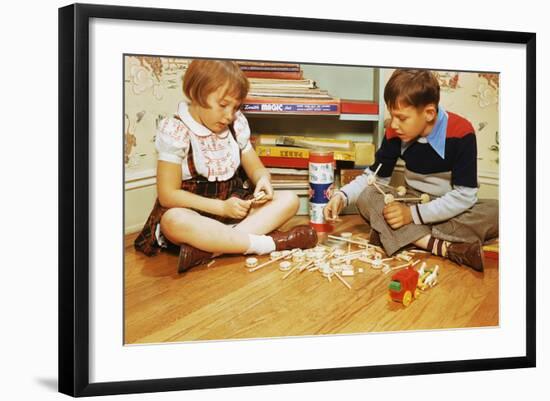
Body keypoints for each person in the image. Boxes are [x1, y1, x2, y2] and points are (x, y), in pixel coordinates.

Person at [134, 59, 317, 273]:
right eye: (222, 105)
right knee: (172, 220)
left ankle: (211, 248)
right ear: (196, 93)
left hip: (233, 216)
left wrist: (263, 180)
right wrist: (221, 207)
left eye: (235, 107)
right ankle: (270, 244)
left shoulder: (236, 125)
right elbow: (168, 195)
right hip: (195, 215)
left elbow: (256, 168)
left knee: (289, 200)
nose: (229, 115)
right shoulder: (176, 130)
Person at [323, 69, 498, 272]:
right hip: (411, 200)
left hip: (448, 207)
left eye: (402, 118)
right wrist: (342, 196)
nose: (394, 124)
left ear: (429, 113)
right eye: (392, 116)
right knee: (367, 197)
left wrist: (412, 216)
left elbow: (464, 196)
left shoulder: (461, 132)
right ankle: (443, 247)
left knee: (497, 211)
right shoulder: (394, 132)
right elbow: (374, 179)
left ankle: (394, 233)